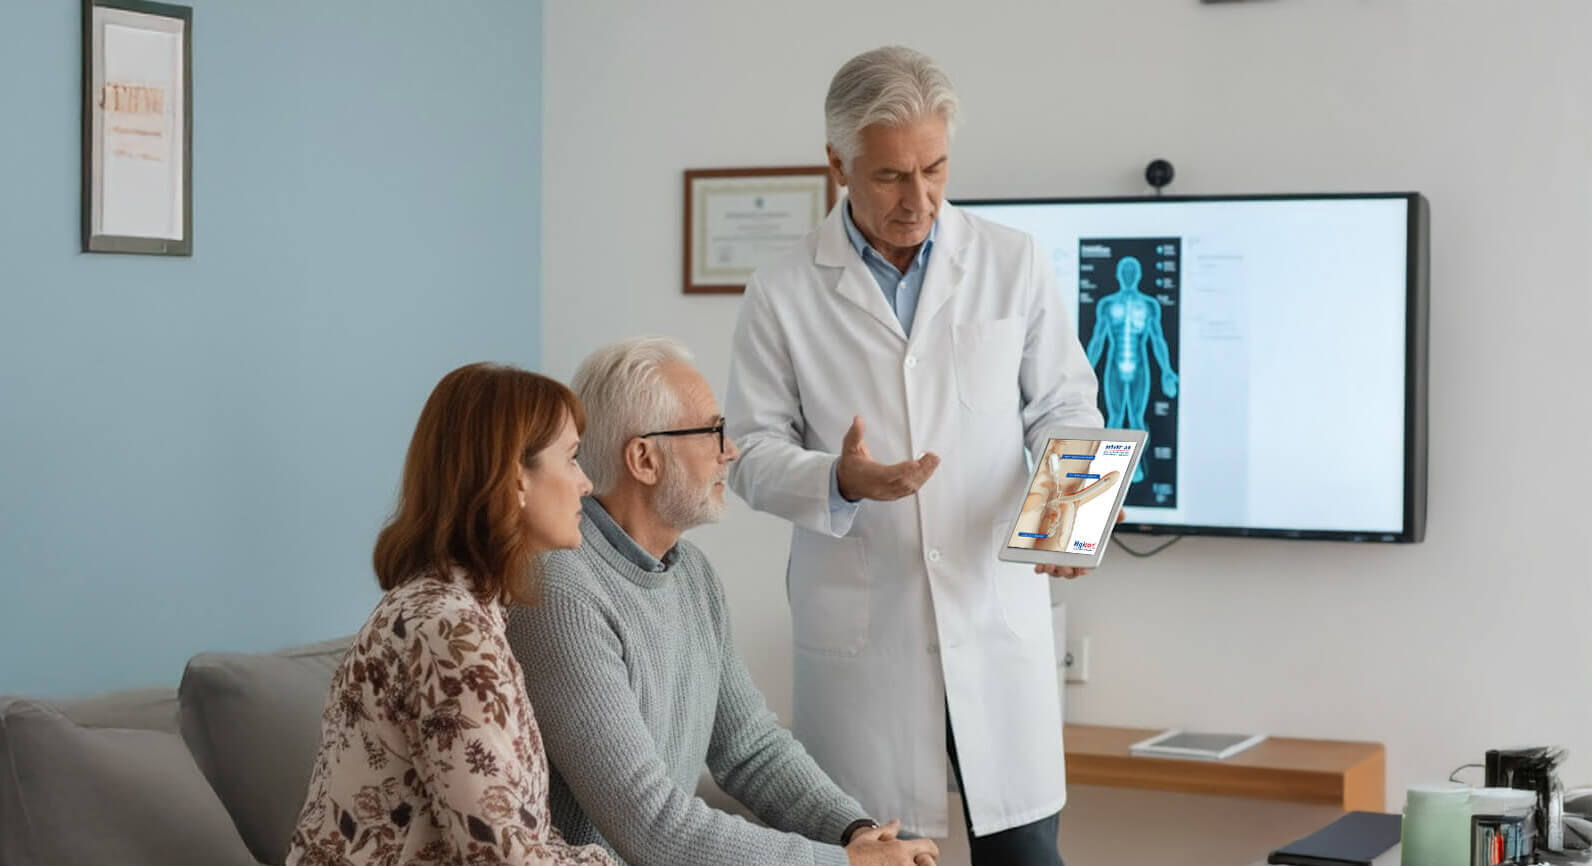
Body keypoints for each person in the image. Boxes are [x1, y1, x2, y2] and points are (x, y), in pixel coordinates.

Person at [724, 46, 1104, 866]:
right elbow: (750, 452)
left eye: (935, 169)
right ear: (837, 164)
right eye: (893, 176)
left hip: (992, 618)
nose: (920, 198)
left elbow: (1066, 404)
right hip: (867, 641)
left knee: (1028, 852)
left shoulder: (1012, 262)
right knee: (884, 850)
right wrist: (838, 478)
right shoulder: (782, 290)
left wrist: (1071, 517)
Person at [505, 337, 938, 866]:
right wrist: (845, 863)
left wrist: (857, 831)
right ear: (644, 459)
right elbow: (652, 827)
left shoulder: (692, 575)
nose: (729, 450)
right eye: (712, 432)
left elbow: (750, 748)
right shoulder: (560, 589)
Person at [286, 363, 616, 866]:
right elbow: (500, 856)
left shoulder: (451, 610)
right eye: (571, 459)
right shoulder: (449, 629)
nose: (586, 483)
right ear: (514, 478)